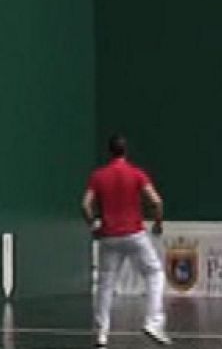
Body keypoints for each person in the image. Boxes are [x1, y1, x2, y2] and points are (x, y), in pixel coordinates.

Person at [82, 134, 169, 347]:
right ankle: (153, 322)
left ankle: (102, 333)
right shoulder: (137, 174)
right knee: (155, 273)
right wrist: (158, 223)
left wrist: (93, 225)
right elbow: (157, 201)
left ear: (109, 151)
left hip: (109, 236)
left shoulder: (99, 176)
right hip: (134, 234)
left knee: (105, 284)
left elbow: (85, 205)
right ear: (125, 151)